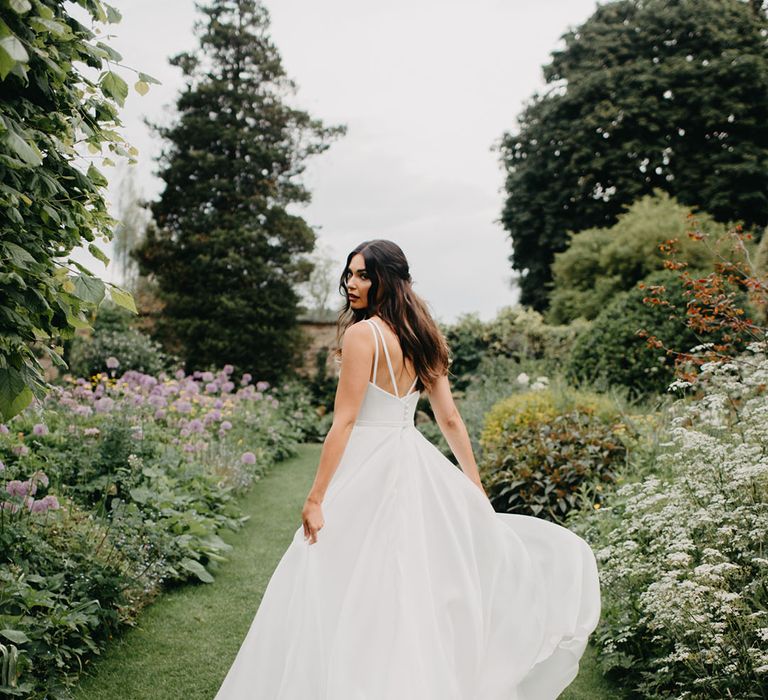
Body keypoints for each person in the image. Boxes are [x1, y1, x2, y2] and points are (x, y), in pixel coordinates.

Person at [213, 239, 601, 699]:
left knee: (343, 579)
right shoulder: (424, 335)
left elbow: (346, 420)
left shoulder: (363, 336)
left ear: (387, 280)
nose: (352, 284)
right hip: (412, 459)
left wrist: (316, 497)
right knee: (409, 582)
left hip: (370, 462)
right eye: (350, 274)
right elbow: (449, 419)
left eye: (362, 275)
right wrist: (473, 485)